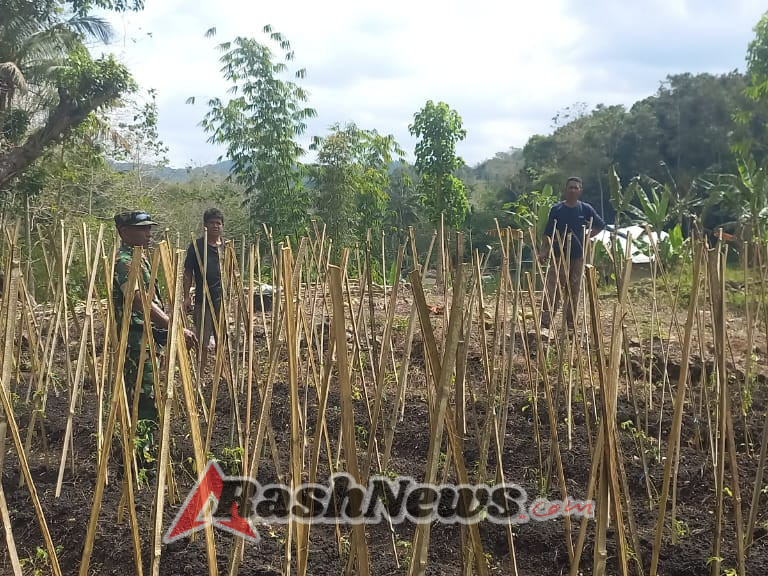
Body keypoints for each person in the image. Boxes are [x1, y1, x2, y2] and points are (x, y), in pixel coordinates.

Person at [113, 211, 198, 436]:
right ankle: (142, 455)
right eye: (142, 228)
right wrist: (173, 325)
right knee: (143, 399)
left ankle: (146, 450)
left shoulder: (142, 257)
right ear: (124, 232)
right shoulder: (124, 261)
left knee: (151, 394)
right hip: (136, 342)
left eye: (149, 228)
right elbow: (141, 301)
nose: (148, 233)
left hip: (148, 338)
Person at [540, 177, 606, 333]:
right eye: (570, 187)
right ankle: (545, 325)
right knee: (552, 290)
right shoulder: (557, 210)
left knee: (574, 291)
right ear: (565, 189)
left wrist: (588, 235)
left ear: (580, 190)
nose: (573, 190)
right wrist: (543, 251)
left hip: (578, 257)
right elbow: (547, 234)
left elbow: (600, 224)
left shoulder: (585, 209)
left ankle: (570, 326)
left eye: (576, 188)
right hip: (558, 256)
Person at [183, 208, 225, 372]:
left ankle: (222, 373)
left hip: (221, 301)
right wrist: (187, 297)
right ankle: (200, 374)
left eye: (218, 223)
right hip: (203, 300)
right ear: (205, 225)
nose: (215, 226)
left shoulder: (226, 247)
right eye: (212, 223)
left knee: (222, 339)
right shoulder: (197, 246)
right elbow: (188, 273)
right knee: (202, 340)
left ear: (222, 226)